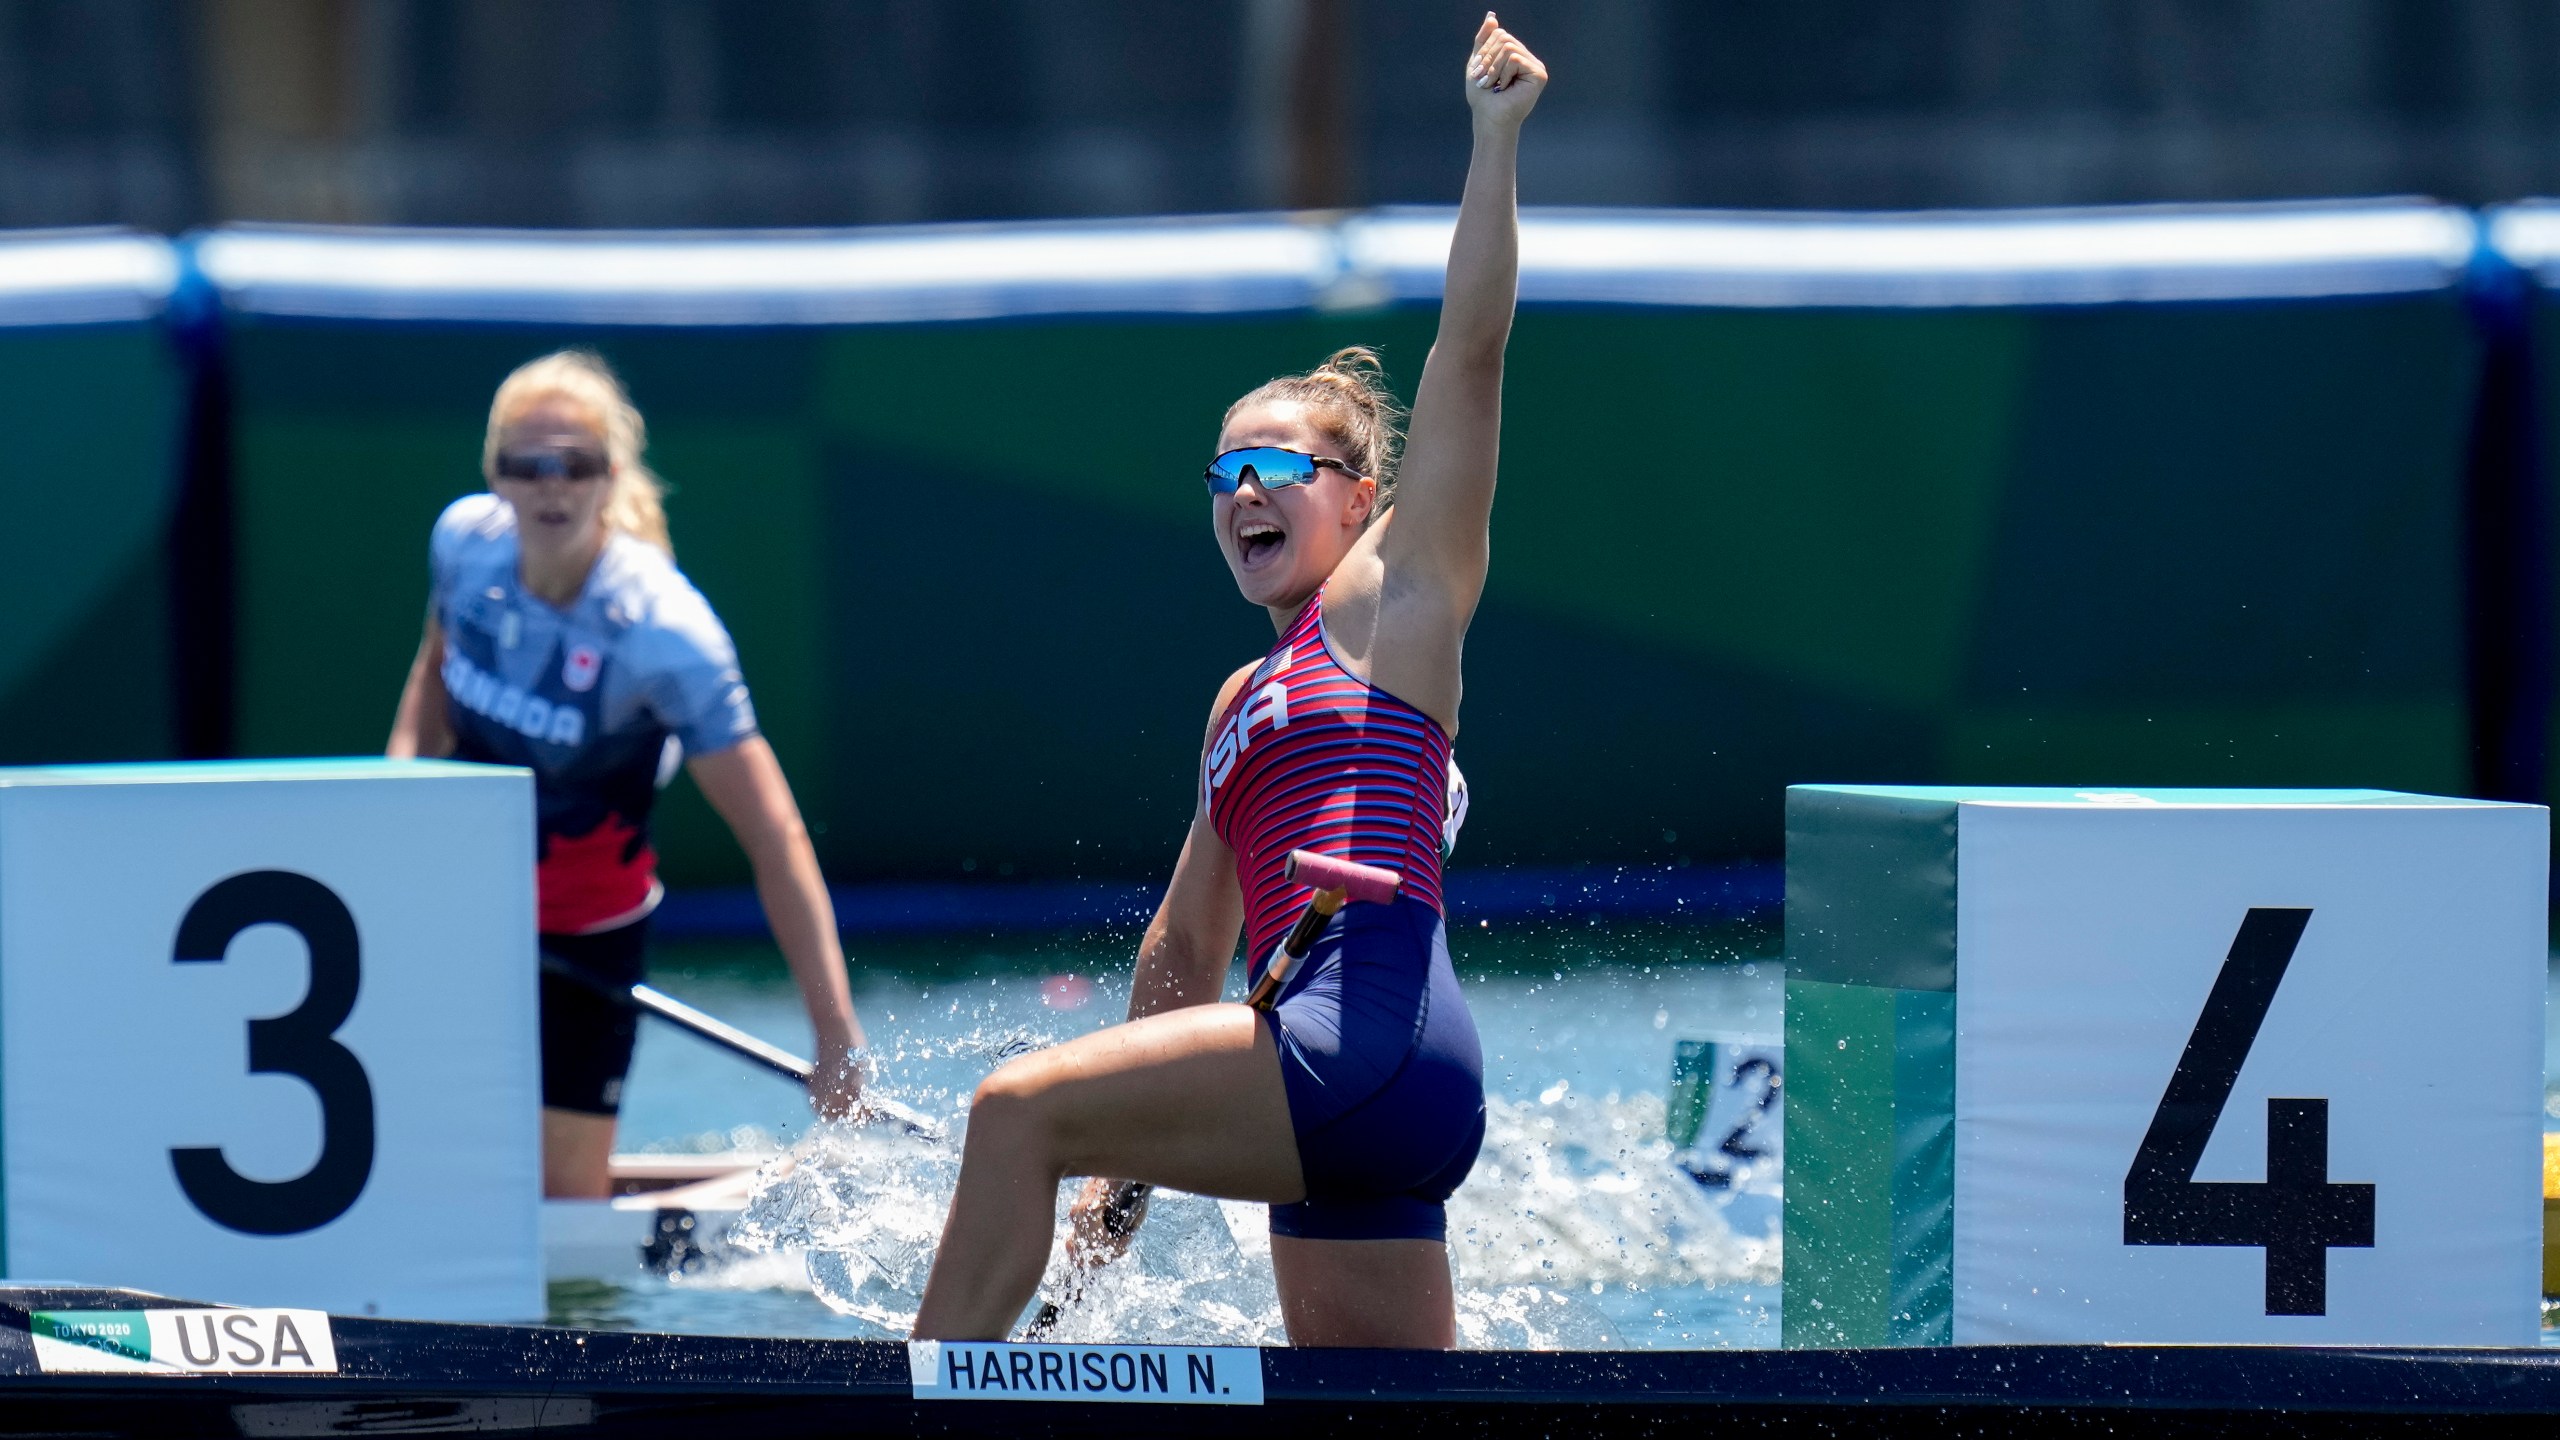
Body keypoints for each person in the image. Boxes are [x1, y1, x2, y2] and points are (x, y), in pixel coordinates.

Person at [911, 15, 1546, 1347]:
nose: (1243, 492)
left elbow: (1469, 358)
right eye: (1221, 473)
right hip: (1363, 1097)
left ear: (1362, 499)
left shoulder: (1395, 602)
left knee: (1009, 1110)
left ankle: (909, 1406)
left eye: (1277, 469)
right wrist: (1113, 1196)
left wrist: (1492, 142)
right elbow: (1186, 952)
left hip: (1360, 1040)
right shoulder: (1236, 701)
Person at [387, 350, 866, 1198]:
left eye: (575, 464)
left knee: (563, 1201)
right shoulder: (463, 546)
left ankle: (797, 1191)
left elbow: (774, 836)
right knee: (430, 1158)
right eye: (526, 464)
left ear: (612, 477)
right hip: (462, 914)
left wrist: (834, 1038)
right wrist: (401, 798)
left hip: (586, 935)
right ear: (494, 473)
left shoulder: (665, 635)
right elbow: (432, 674)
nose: (550, 486)